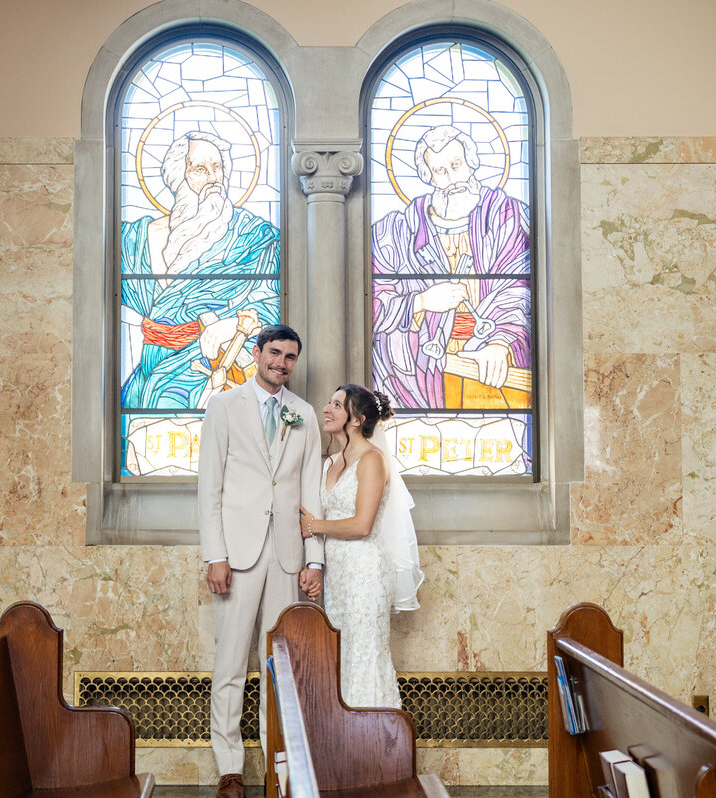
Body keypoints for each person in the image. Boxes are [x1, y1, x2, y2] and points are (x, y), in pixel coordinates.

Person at [198, 324, 325, 798]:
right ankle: (230, 769)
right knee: (231, 663)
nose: (281, 363)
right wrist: (216, 555)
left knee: (279, 668)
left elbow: (311, 492)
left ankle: (279, 769)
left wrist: (315, 560)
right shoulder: (224, 406)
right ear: (257, 353)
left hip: (287, 556)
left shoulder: (304, 414)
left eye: (290, 357)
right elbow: (209, 489)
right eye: (275, 353)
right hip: (237, 555)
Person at [371, 124, 531, 411]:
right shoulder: (396, 230)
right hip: (416, 369)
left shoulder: (505, 215)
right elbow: (370, 300)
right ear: (429, 177)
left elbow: (517, 286)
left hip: (487, 359)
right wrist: (421, 301)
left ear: (471, 163)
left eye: (456, 165)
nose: (452, 178)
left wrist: (500, 342)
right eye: (440, 171)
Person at [120, 131, 281, 414]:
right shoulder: (135, 239)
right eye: (200, 169)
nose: (214, 178)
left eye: (218, 168)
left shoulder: (253, 236)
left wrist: (232, 324)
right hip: (148, 368)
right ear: (176, 178)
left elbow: (274, 300)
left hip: (209, 364)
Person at [298, 384, 424, 708]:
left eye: (337, 405)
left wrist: (314, 526)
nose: (326, 409)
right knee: (343, 657)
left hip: (366, 574)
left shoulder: (372, 460)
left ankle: (374, 736)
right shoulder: (330, 462)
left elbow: (362, 524)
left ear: (357, 420)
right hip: (338, 578)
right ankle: (345, 735)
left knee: (365, 657)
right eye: (329, 403)